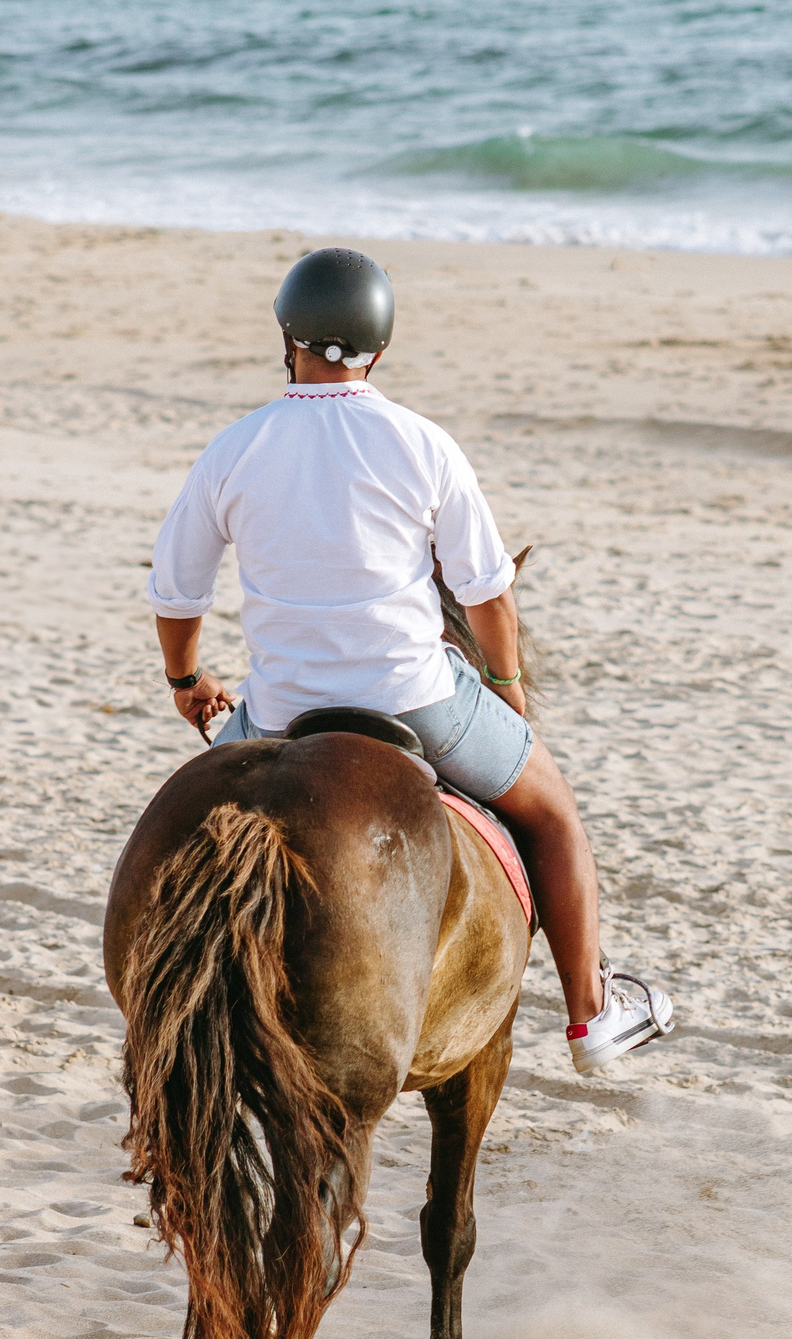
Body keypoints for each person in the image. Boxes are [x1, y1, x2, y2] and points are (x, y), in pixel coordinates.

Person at [144, 248, 673, 1073]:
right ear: (378, 350)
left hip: (280, 711)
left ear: (286, 335)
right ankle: (592, 1015)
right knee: (555, 813)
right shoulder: (422, 444)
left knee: (207, 784)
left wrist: (187, 681)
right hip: (419, 701)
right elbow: (488, 598)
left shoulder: (234, 449)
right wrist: (504, 686)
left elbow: (176, 595)